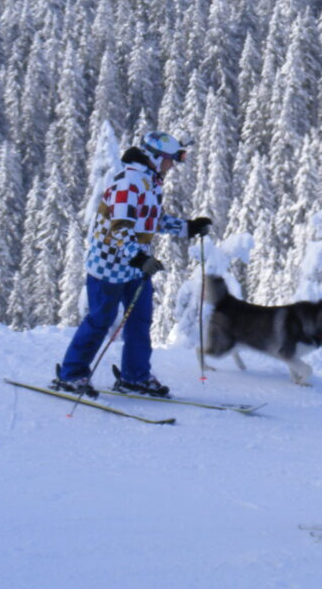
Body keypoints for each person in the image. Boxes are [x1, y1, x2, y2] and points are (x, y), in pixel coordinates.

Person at [52, 131, 212, 399]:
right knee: (100, 321)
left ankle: (134, 376)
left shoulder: (149, 182)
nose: (172, 165)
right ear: (154, 157)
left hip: (136, 266)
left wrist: (188, 227)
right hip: (109, 267)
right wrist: (138, 258)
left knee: (140, 320)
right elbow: (120, 227)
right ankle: (71, 375)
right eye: (170, 159)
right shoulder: (128, 183)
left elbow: (153, 220)